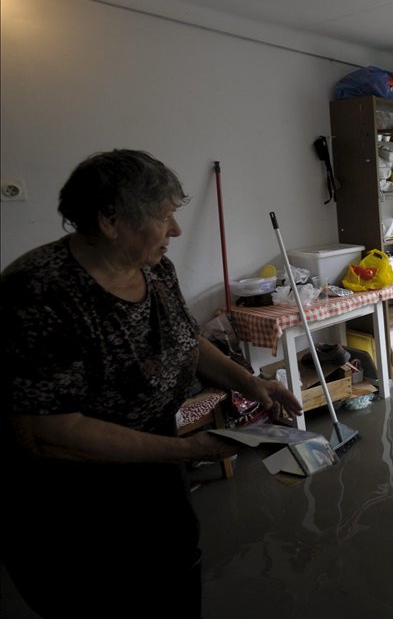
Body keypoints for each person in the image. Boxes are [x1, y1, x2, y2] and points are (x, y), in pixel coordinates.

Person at [1, 149, 304, 618]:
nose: (176, 231)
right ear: (109, 220)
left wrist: (250, 383)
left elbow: (187, 342)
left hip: (152, 462)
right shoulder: (37, 291)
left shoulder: (154, 268)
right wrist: (191, 450)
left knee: (173, 572)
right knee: (101, 597)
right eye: (164, 217)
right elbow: (50, 431)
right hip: (71, 495)